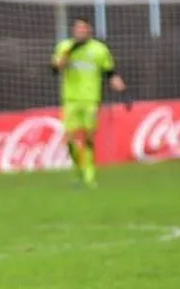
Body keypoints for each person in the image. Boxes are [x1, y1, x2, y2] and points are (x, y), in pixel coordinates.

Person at [51, 17, 126, 188]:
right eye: (78, 28)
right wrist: (64, 58)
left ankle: (89, 176)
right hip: (70, 99)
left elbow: (109, 72)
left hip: (91, 99)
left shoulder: (99, 50)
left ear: (89, 30)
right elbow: (55, 68)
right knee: (69, 139)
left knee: (88, 136)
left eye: (84, 28)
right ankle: (79, 169)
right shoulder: (65, 47)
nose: (80, 31)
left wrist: (117, 82)